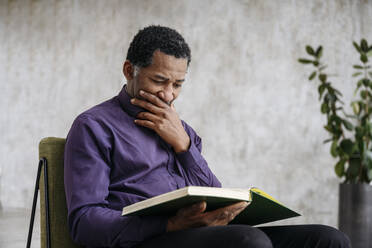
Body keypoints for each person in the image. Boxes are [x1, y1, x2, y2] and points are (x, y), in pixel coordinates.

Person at [64, 25, 351, 248]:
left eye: (177, 84)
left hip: (197, 234)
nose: (168, 94)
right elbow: (85, 222)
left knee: (328, 239)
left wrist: (184, 146)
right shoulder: (94, 126)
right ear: (130, 71)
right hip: (145, 240)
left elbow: (214, 195)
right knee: (249, 242)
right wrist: (169, 225)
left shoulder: (182, 130)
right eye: (159, 81)